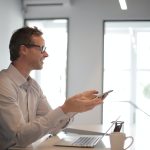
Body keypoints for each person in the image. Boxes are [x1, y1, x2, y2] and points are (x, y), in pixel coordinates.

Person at [0, 26, 104, 150]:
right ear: (23, 50)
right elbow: (20, 138)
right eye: (42, 49)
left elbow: (54, 127)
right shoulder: (3, 84)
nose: (46, 54)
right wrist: (64, 108)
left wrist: (75, 107)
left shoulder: (33, 86)